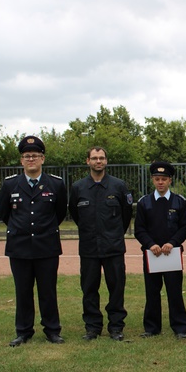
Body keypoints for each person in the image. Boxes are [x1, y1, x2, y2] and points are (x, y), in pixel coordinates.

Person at [0, 135, 67, 347]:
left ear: (42, 159)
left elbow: (59, 213)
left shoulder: (55, 184)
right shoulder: (10, 185)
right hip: (19, 247)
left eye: (35, 156)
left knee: (48, 291)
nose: (31, 160)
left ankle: (52, 330)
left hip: (46, 246)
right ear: (21, 160)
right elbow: (4, 214)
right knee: (23, 291)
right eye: (27, 156)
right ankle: (23, 331)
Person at [69, 146, 133, 341]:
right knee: (89, 288)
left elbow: (126, 214)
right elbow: (75, 213)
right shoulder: (78, 187)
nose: (98, 161)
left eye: (102, 158)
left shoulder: (118, 186)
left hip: (113, 247)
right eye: (94, 158)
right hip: (89, 247)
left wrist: (113, 235)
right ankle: (92, 327)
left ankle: (116, 327)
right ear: (87, 161)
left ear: (106, 161)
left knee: (116, 288)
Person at [134, 161, 186, 339]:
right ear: (152, 180)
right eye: (157, 179)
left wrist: (172, 243)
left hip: (172, 254)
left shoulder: (179, 201)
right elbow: (139, 229)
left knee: (174, 291)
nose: (160, 182)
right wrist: (151, 244)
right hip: (152, 254)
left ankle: (180, 328)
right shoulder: (144, 203)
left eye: (164, 179)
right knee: (152, 292)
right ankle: (152, 328)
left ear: (170, 181)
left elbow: (185, 228)